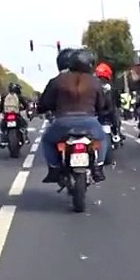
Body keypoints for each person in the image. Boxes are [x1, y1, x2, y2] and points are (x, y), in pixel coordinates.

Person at [36, 48, 111, 183]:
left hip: (63, 122)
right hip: (89, 122)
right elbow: (102, 104)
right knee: (102, 139)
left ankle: (54, 169)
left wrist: (45, 109)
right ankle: (98, 168)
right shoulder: (94, 81)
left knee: (47, 140)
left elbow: (44, 103)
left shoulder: (58, 80)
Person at [94, 62, 121, 135]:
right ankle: (117, 134)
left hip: (97, 115)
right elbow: (117, 102)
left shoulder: (93, 86)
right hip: (108, 116)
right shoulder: (112, 88)